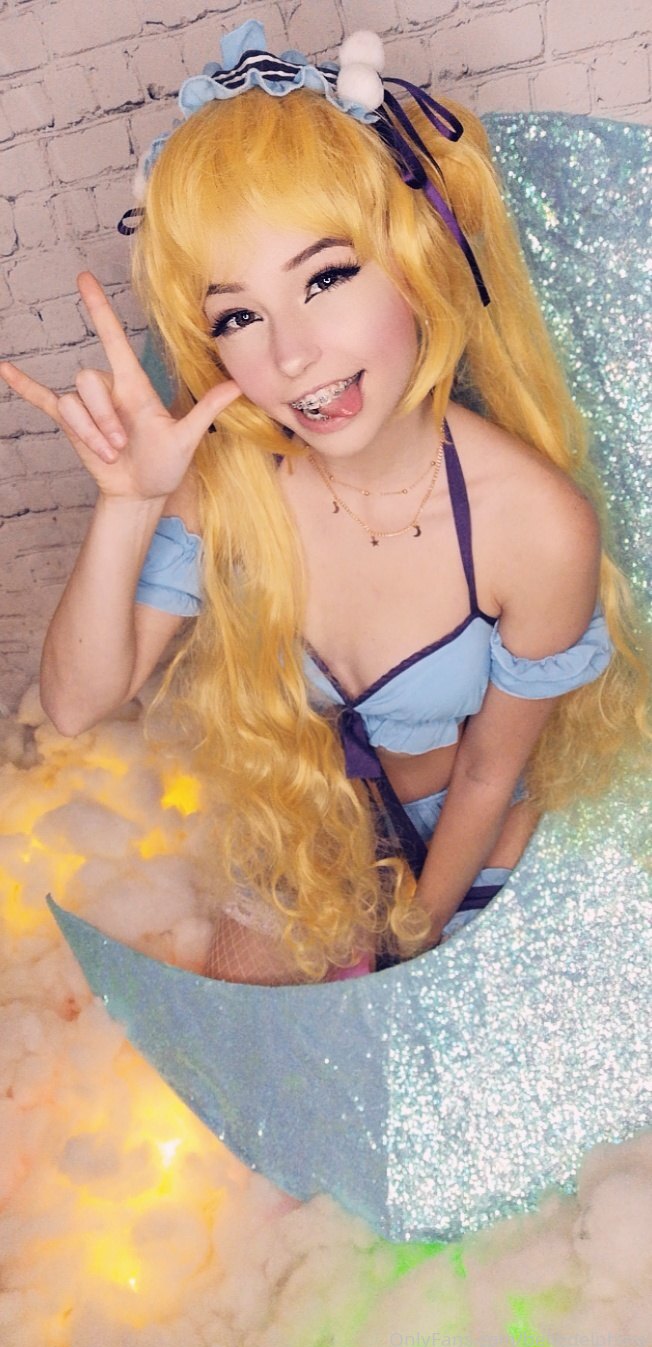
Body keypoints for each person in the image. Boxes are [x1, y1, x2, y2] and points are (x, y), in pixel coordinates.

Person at [1, 24, 646, 990]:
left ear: (415, 260)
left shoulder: (536, 524)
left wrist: (411, 947)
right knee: (244, 1056)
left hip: (469, 852)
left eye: (326, 278)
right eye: (238, 315)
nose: (291, 355)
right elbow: (77, 704)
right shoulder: (230, 477)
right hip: (313, 835)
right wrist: (128, 504)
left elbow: (487, 772)